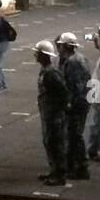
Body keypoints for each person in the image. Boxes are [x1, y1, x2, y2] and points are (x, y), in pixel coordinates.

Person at [56, 32, 92, 180]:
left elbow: (74, 86)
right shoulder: (80, 58)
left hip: (77, 103)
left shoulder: (72, 62)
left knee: (75, 135)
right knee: (73, 135)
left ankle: (82, 167)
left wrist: (69, 104)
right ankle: (72, 166)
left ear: (65, 46)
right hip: (83, 101)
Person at [34, 40, 70, 187]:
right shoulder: (45, 71)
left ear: (43, 55)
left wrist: (57, 110)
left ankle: (60, 175)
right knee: (49, 142)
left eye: (37, 52)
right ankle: (53, 170)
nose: (35, 55)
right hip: (47, 112)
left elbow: (63, 93)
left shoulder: (51, 73)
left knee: (56, 144)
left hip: (54, 114)